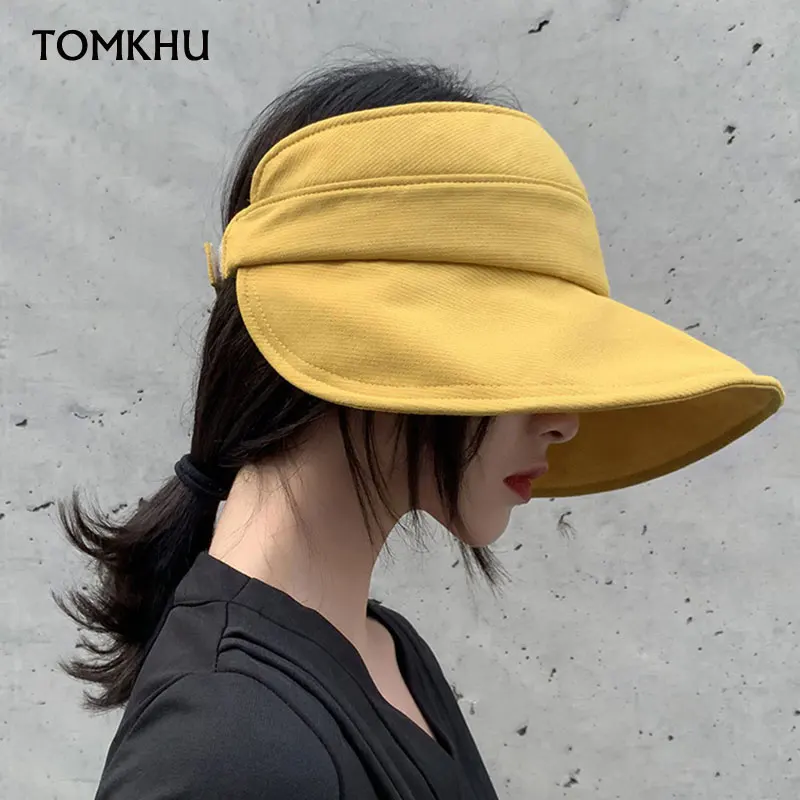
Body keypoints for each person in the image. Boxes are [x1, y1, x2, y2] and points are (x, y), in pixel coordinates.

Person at [55, 57, 784, 799]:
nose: (564, 420)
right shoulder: (228, 750)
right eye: (520, 350)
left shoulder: (385, 654)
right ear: (366, 340)